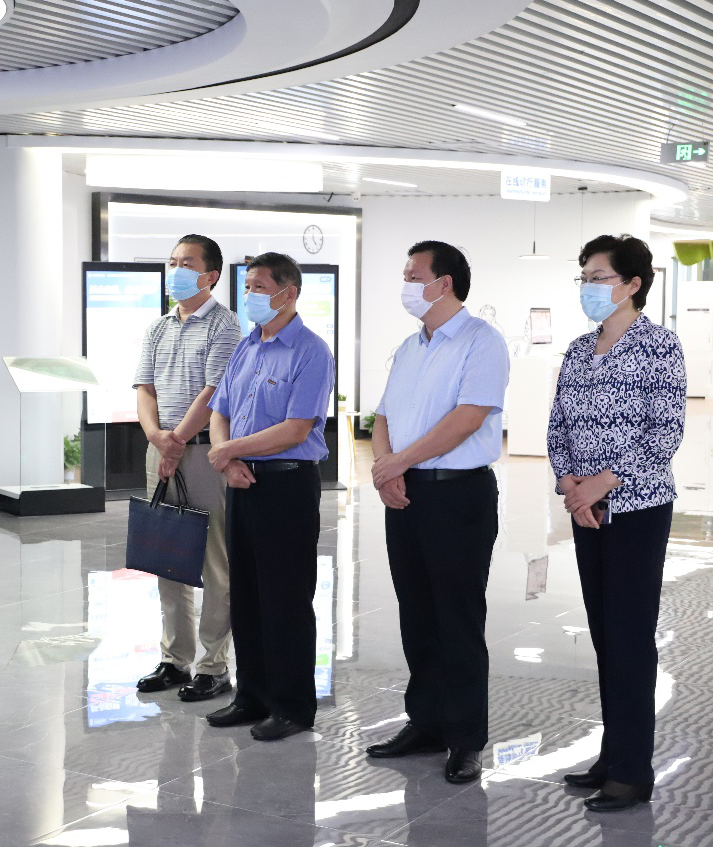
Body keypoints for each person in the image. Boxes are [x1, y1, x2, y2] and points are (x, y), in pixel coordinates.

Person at [548, 234, 686, 812]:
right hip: (588, 510)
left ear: (632, 284)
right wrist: (570, 484)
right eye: (583, 277)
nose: (588, 286)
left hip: (637, 509)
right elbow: (558, 424)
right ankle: (612, 754)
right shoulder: (580, 349)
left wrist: (602, 482)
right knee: (606, 636)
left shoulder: (659, 346)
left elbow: (665, 431)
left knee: (629, 638)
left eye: (599, 277)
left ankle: (632, 772)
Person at [365, 240, 508, 784]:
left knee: (458, 616)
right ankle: (425, 723)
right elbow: (382, 415)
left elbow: (468, 417)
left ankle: (466, 737)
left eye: (413, 275)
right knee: (417, 613)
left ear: (443, 283)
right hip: (406, 494)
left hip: (457, 495)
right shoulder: (409, 346)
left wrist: (398, 462)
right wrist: (387, 469)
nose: (405, 284)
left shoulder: (481, 341)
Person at [203, 251, 334, 741]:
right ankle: (251, 696)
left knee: (285, 596)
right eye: (248, 287)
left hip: (286, 484)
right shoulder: (247, 346)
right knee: (247, 594)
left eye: (259, 286)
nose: (250, 295)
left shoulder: (311, 351)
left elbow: (297, 428)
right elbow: (220, 409)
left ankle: (292, 706)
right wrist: (226, 456)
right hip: (242, 481)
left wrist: (230, 450)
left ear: (288, 292)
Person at [133, 234, 241, 702]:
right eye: (172, 261)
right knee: (167, 554)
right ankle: (174, 659)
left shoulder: (225, 325)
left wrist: (176, 441)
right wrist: (156, 436)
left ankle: (213, 665)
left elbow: (214, 393)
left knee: (215, 562)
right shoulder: (158, 327)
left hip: (202, 453)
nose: (175, 270)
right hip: (161, 449)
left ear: (210, 275)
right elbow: (145, 388)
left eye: (187, 263)